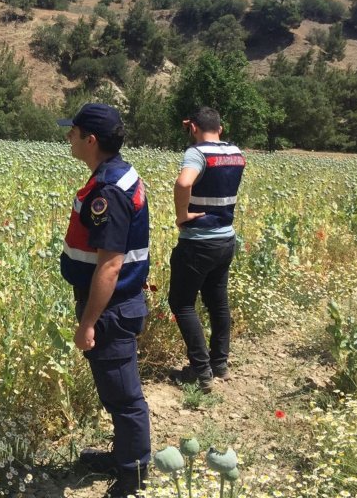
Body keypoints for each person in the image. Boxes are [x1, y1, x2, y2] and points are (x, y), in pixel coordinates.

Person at [57, 103, 150, 498]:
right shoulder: (118, 174)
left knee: (123, 394)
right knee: (115, 389)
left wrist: (88, 323)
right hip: (117, 301)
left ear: (90, 140)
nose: (68, 137)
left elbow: (110, 265)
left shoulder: (108, 190)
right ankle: (124, 457)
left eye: (73, 131)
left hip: (111, 307)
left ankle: (133, 475)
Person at [169, 107, 245, 393]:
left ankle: (201, 372)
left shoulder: (196, 153)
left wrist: (182, 214)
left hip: (199, 241)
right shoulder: (236, 152)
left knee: (182, 303)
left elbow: (184, 182)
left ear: (194, 128)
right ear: (221, 128)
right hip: (226, 238)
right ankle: (220, 364)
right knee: (218, 302)